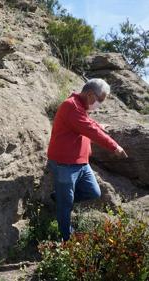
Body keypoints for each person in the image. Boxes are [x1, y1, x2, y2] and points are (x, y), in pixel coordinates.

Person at [47, 78, 128, 241]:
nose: (99, 104)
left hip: (81, 163)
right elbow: (89, 128)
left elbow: (89, 122)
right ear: (90, 95)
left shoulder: (80, 106)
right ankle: (66, 240)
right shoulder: (71, 105)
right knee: (66, 206)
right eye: (100, 100)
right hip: (65, 165)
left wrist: (100, 126)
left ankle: (59, 197)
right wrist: (115, 147)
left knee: (93, 192)